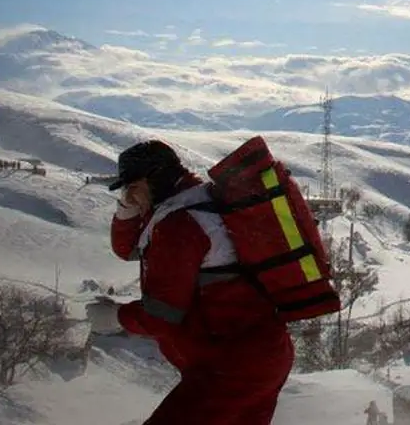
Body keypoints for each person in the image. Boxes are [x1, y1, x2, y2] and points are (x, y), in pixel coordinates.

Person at [88, 139, 295, 424]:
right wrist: (126, 208)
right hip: (258, 357)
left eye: (133, 188)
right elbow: (128, 249)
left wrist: (115, 317)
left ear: (156, 178)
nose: (131, 196)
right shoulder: (198, 202)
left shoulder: (179, 224)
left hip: (231, 367)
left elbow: (161, 316)